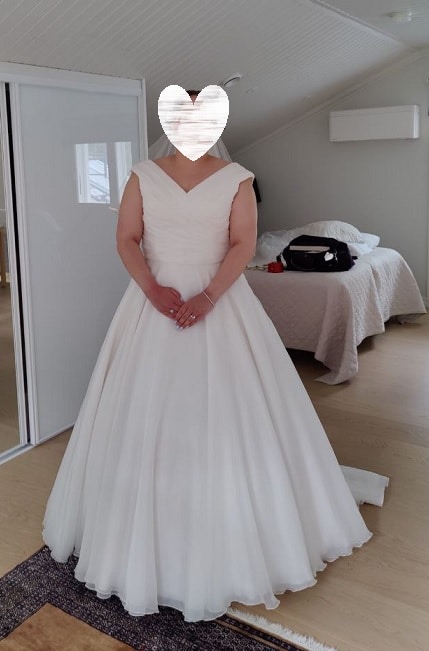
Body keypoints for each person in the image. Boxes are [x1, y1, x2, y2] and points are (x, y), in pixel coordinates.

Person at [43, 90, 388, 623]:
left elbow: (243, 244)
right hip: (151, 304)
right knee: (143, 412)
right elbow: (127, 238)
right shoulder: (142, 175)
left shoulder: (236, 178)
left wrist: (207, 297)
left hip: (221, 300)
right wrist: (153, 290)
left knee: (233, 410)